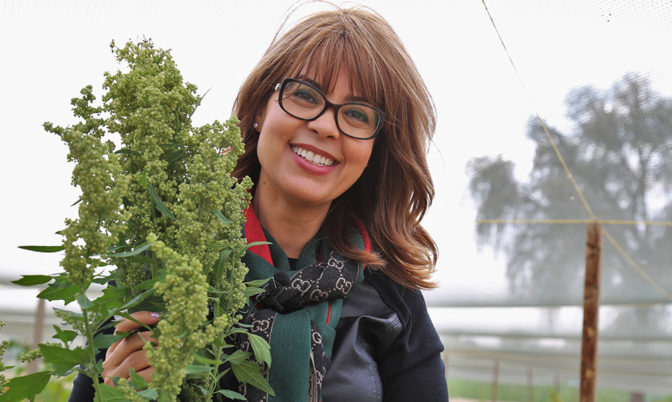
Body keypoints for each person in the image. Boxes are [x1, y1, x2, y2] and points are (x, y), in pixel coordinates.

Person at [70, 6, 448, 402]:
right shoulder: (163, 263)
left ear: (375, 149)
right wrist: (111, 393)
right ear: (258, 110)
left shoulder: (391, 295)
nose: (324, 125)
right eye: (304, 95)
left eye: (356, 114)